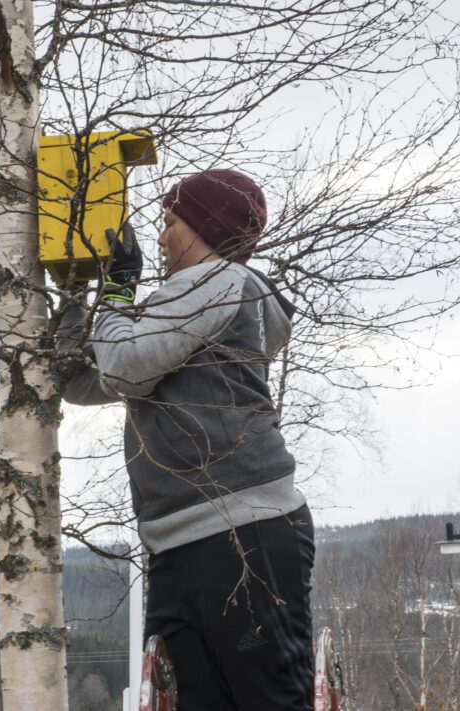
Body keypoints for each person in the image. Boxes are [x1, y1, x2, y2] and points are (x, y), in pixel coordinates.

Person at [57, 169, 315, 710]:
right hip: (182, 541)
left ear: (205, 226)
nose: (159, 236)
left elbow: (126, 367)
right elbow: (82, 381)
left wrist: (120, 289)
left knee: (270, 700)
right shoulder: (180, 308)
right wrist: (76, 298)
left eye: (169, 221)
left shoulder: (220, 282)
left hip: (240, 531)